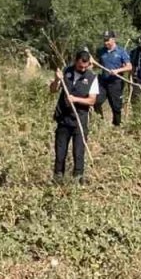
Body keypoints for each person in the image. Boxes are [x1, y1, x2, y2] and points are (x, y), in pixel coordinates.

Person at [50, 49, 99, 185]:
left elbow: (92, 100)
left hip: (80, 120)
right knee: (60, 152)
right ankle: (57, 179)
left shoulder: (92, 78)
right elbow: (53, 90)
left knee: (78, 152)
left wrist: (75, 99)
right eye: (80, 66)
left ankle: (78, 180)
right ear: (75, 62)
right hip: (63, 118)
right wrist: (56, 80)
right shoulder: (66, 72)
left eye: (85, 66)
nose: (83, 69)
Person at [94, 31, 132, 126]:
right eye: (104, 40)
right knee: (96, 101)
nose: (105, 42)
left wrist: (118, 70)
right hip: (103, 81)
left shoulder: (121, 51)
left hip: (116, 82)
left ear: (113, 39)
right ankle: (99, 122)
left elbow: (129, 67)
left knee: (116, 106)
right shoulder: (101, 51)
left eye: (107, 40)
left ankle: (117, 125)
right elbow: (97, 64)